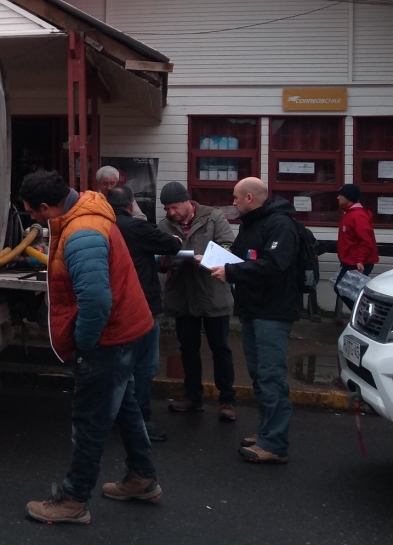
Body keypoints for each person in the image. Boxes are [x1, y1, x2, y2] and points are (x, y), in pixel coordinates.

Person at [21, 171, 161, 525]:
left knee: (91, 420)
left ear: (45, 206)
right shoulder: (85, 210)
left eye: (34, 215)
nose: (35, 222)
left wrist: (85, 341)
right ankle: (141, 478)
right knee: (124, 405)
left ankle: (73, 500)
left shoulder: (81, 233)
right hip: (128, 328)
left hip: (108, 337)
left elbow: (96, 299)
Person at [208, 178, 299, 465]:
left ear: (249, 197)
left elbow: (273, 264)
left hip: (272, 311)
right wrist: (211, 259)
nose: (232, 202)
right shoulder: (251, 222)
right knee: (259, 375)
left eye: (235, 197)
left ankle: (275, 443)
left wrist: (232, 272)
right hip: (251, 309)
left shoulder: (280, 225)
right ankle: (266, 433)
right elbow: (237, 257)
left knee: (271, 376)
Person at [156, 182, 238, 422]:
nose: (171, 213)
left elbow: (228, 246)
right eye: (166, 208)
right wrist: (166, 259)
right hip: (182, 297)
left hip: (212, 293)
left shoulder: (213, 218)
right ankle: (193, 397)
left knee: (220, 349)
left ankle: (227, 400)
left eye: (174, 207)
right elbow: (160, 259)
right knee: (188, 350)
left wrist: (209, 258)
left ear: (187, 202)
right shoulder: (163, 225)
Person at [105, 186, 180, 443]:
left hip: (112, 304)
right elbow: (171, 244)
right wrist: (178, 241)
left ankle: (117, 416)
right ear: (130, 205)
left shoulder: (102, 226)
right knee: (144, 366)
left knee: (119, 366)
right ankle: (140, 421)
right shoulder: (135, 227)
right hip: (141, 306)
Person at [335, 184, 379, 309]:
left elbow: (365, 240)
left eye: (341, 195)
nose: (338, 198)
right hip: (351, 260)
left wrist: (360, 260)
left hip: (357, 262)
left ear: (349, 197)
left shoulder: (358, 216)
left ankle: (365, 315)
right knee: (344, 289)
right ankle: (363, 315)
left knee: (345, 290)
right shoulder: (350, 214)